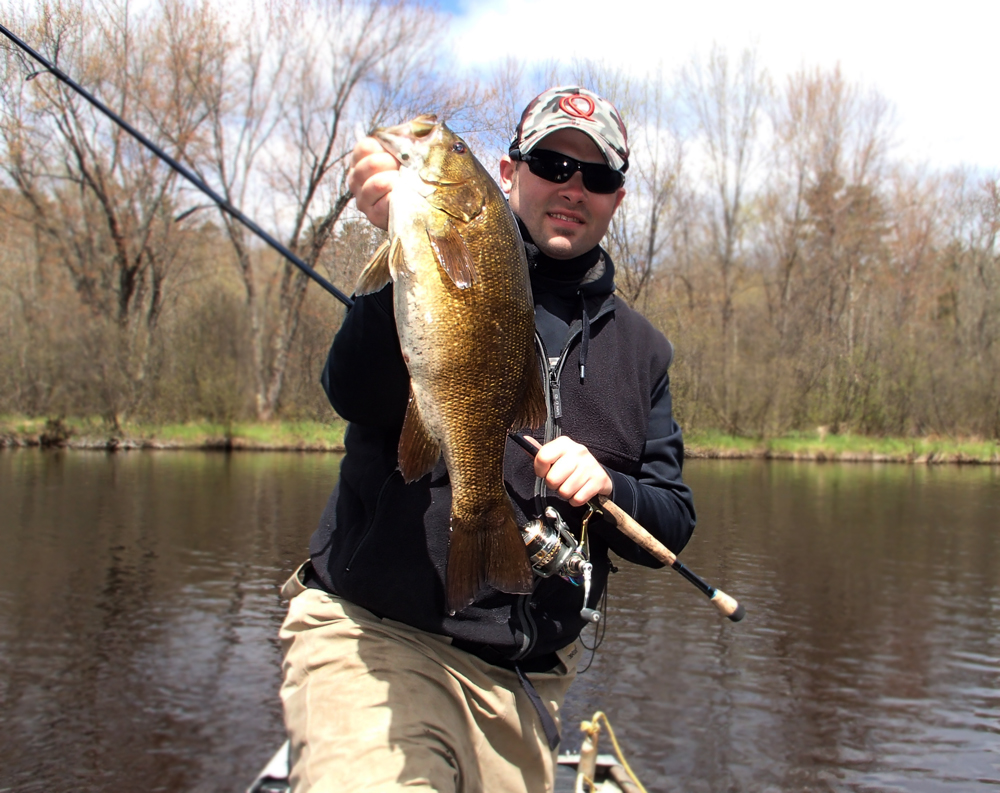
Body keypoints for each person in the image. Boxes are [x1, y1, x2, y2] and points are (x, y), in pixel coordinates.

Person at [278, 86, 697, 793]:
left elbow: (672, 519)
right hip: (377, 642)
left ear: (617, 199)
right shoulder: (443, 256)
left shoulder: (643, 351)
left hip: (524, 690)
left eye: (596, 176)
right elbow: (353, 393)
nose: (572, 188)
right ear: (509, 174)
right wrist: (398, 241)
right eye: (552, 164)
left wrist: (610, 487)